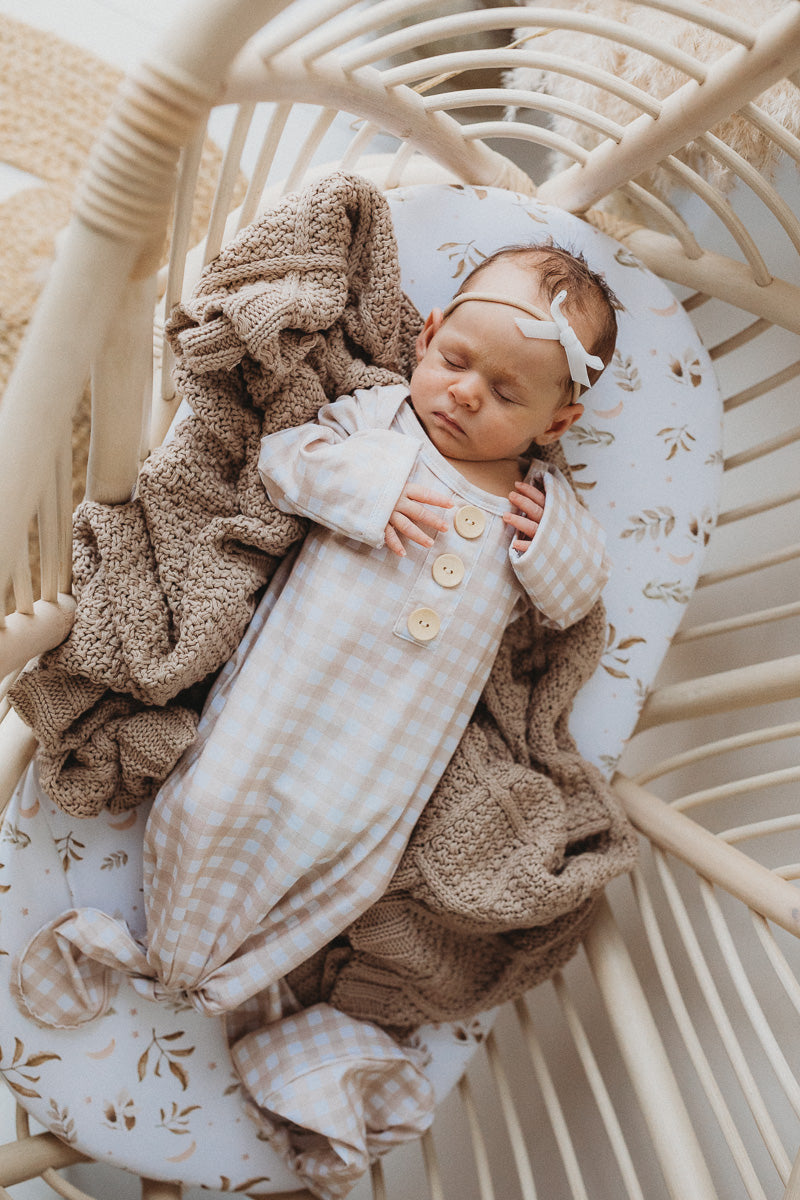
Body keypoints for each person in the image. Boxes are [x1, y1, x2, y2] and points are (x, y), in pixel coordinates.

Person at [126, 240, 620, 1015]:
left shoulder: (540, 502)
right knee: (216, 799)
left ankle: (233, 978)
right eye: (455, 361)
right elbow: (286, 462)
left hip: (392, 740)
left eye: (505, 393)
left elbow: (573, 598)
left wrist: (549, 538)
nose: (463, 394)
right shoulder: (381, 422)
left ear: (557, 421)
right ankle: (177, 950)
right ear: (425, 338)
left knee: (347, 856)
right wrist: (375, 489)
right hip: (291, 687)